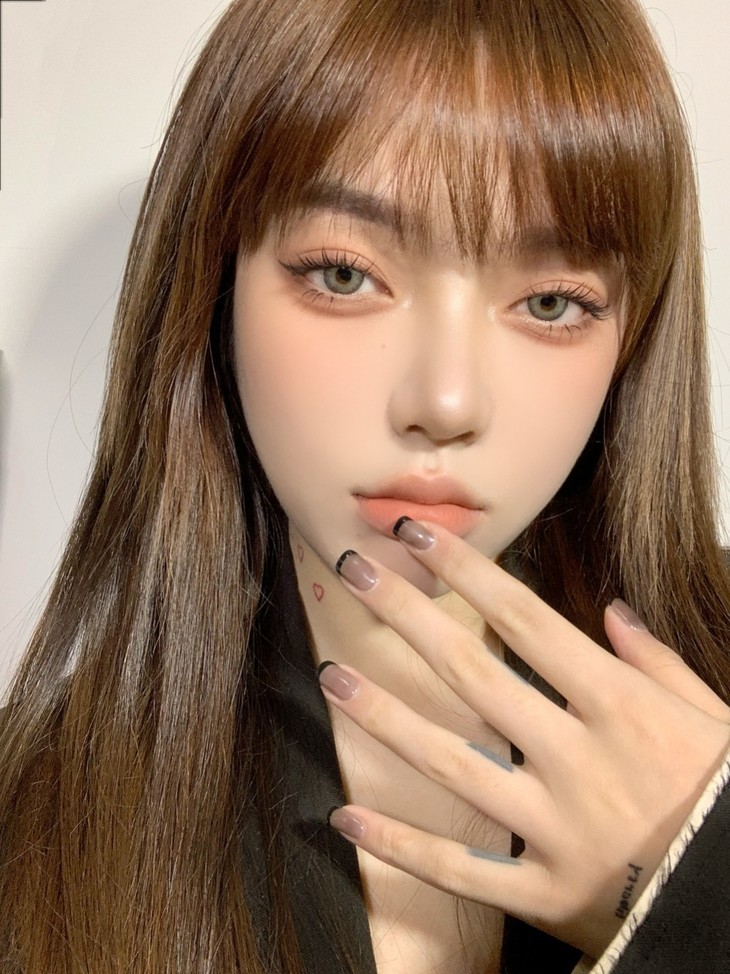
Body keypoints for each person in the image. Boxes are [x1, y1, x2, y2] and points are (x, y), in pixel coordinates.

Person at [1, 0, 729, 971]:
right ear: (214, 290)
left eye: (551, 301)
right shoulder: (30, 836)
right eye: (345, 276)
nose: (445, 400)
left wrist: (703, 882)